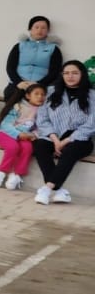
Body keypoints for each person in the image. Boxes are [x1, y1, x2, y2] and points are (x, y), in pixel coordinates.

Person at [32, 61, 95, 205]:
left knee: (70, 151)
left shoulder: (92, 95)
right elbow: (42, 119)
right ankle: (60, 191)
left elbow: (92, 123)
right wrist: (55, 140)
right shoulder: (51, 92)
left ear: (82, 74)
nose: (70, 76)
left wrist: (66, 141)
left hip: (80, 139)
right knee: (40, 146)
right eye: (66, 73)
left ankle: (47, 188)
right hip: (54, 136)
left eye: (74, 73)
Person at [2, 15, 63, 115]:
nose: (40, 30)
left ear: (48, 31)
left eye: (43, 28)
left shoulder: (54, 49)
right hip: (19, 84)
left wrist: (39, 83)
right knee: (11, 105)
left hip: (42, 85)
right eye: (36, 27)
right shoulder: (19, 46)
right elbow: (10, 67)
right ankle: (10, 122)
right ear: (30, 29)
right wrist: (19, 82)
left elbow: (55, 71)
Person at [0, 83, 45, 189]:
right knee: (13, 147)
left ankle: (16, 174)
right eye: (36, 94)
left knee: (28, 148)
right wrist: (18, 134)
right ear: (28, 95)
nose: (40, 97)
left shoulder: (43, 111)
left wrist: (33, 135)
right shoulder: (18, 106)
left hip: (25, 136)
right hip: (5, 132)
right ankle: (1, 171)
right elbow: (5, 124)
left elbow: (40, 127)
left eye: (43, 94)